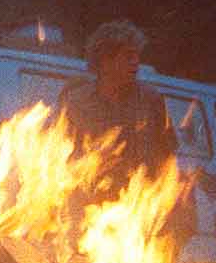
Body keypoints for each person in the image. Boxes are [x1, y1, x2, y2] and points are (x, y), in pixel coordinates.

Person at [55, 20, 174, 201]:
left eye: (137, 56)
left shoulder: (151, 100)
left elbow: (168, 154)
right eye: (128, 56)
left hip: (136, 203)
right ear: (105, 61)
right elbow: (61, 154)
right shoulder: (77, 102)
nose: (136, 63)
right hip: (88, 204)